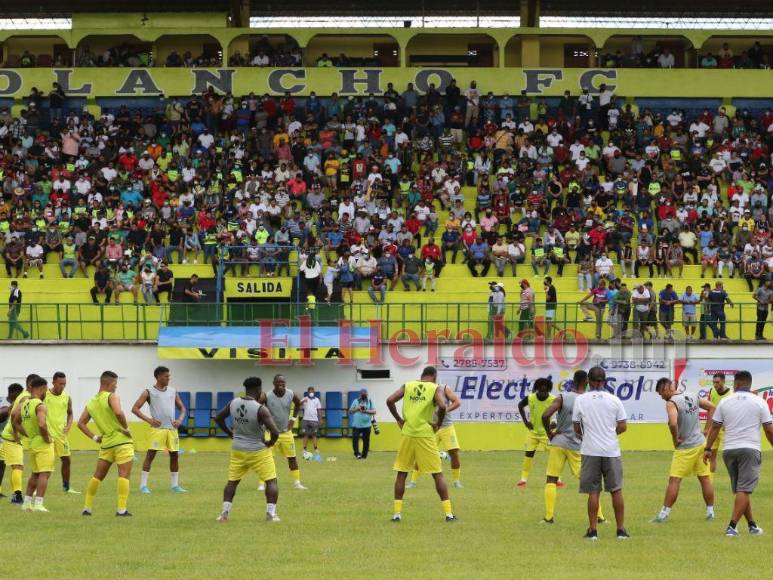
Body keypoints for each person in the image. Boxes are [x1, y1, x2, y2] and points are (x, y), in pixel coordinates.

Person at [704, 370, 773, 537]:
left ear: (735, 384)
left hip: (729, 451)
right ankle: (732, 526)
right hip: (750, 449)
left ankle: (752, 525)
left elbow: (714, 428)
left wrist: (707, 449)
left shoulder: (725, 402)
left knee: (741, 489)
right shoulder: (759, 402)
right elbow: (769, 430)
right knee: (745, 489)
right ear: (749, 384)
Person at [387, 366, 456, 522]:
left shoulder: (408, 385)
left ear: (422, 375)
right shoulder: (435, 388)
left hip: (408, 433)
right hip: (425, 434)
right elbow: (443, 406)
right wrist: (437, 422)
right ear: (433, 376)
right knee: (437, 474)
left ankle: (397, 514)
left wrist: (399, 419)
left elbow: (390, 400)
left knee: (402, 473)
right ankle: (449, 514)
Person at [572, 366, 629, 540]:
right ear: (604, 381)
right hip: (611, 450)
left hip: (590, 450)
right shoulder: (614, 400)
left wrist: (588, 435)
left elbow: (576, 427)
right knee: (616, 490)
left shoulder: (580, 400)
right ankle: (620, 530)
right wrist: (610, 434)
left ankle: (592, 531)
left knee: (593, 492)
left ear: (588, 380)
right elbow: (623, 426)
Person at [542, 370, 606, 524]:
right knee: (588, 481)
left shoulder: (562, 397)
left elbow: (545, 415)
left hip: (558, 443)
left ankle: (549, 517)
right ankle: (600, 516)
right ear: (586, 381)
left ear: (573, 381)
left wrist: (550, 433)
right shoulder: (588, 400)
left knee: (551, 478)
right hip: (577, 445)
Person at [214, 377, 280, 523]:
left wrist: (231, 434)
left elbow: (218, 417)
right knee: (271, 481)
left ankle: (224, 514)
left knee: (232, 481)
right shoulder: (260, 409)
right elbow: (275, 431)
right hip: (258, 451)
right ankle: (271, 515)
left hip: (237, 449)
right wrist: (270, 443)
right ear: (259, 390)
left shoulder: (234, 402)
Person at [651, 378, 715, 523]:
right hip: (700, 444)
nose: (661, 397)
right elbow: (712, 407)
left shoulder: (671, 403)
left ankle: (663, 515)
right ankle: (710, 512)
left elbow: (673, 423)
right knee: (705, 479)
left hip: (685, 448)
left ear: (665, 389)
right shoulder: (692, 395)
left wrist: (675, 439)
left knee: (674, 480)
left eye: (660, 393)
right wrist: (706, 430)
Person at [78, 370, 135, 516]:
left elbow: (81, 423)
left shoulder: (91, 402)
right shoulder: (111, 396)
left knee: (97, 476)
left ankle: (87, 508)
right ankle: (121, 510)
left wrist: (95, 438)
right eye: (115, 383)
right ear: (109, 383)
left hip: (106, 444)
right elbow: (118, 412)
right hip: (122, 442)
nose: (116, 386)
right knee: (124, 475)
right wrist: (126, 429)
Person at [131, 366, 188, 494]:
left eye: (169, 376)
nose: (169, 378)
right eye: (166, 376)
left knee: (174, 456)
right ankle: (143, 486)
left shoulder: (173, 391)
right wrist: (149, 420)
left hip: (172, 430)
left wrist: (179, 420)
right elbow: (135, 409)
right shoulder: (148, 392)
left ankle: (175, 485)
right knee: (150, 455)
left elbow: (183, 408)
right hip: (157, 430)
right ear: (158, 377)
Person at [408, 382, 463, 489]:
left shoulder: (445, 388)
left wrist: (445, 410)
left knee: (454, 453)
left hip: (447, 426)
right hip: (431, 427)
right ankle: (413, 482)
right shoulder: (422, 392)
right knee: (422, 454)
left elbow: (457, 402)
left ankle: (456, 481)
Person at [259, 374, 306, 490]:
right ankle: (261, 484)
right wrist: (264, 422)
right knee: (266, 458)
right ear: (273, 383)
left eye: (283, 382)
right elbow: (257, 406)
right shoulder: (267, 395)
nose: (281, 384)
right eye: (278, 382)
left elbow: (298, 403)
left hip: (286, 433)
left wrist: (293, 419)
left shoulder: (290, 393)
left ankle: (297, 483)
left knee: (292, 458)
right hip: (271, 433)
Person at [0, 374, 37, 504]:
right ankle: (17, 495)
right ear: (31, 386)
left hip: (7, 436)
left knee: (10, 466)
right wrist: (18, 435)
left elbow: (12, 412)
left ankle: (14, 494)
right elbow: (14, 416)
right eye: (40, 388)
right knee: (17, 466)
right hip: (11, 437)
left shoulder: (24, 396)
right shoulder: (25, 398)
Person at [20, 377, 54, 512]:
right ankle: (39, 503)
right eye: (46, 389)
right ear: (42, 389)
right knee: (44, 473)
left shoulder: (25, 404)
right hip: (42, 442)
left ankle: (26, 503)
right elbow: (41, 424)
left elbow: (16, 419)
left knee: (35, 473)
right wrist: (47, 438)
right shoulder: (40, 405)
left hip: (32, 441)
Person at [516, 378, 557, 487]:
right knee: (528, 455)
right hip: (533, 433)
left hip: (546, 434)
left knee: (554, 455)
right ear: (537, 389)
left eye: (545, 391)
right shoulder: (531, 398)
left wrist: (555, 422)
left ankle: (557, 479)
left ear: (549, 390)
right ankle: (523, 479)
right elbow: (520, 405)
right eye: (541, 391)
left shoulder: (553, 399)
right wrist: (525, 421)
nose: (543, 393)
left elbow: (561, 412)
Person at [46, 372, 79, 494]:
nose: (62, 386)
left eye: (64, 384)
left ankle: (66, 487)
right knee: (46, 463)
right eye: (60, 383)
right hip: (47, 435)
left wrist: (68, 426)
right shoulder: (45, 395)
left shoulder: (66, 397)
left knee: (67, 460)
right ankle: (36, 488)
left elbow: (70, 413)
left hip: (61, 436)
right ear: (53, 382)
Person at [702, 372, 731, 477]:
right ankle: (710, 482)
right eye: (714, 382)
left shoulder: (731, 395)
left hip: (725, 430)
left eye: (717, 382)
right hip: (714, 429)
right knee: (711, 456)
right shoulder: (712, 391)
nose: (715, 385)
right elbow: (710, 410)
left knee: (730, 456)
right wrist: (706, 429)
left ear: (723, 381)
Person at [0, 383, 24, 497]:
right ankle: (17, 493)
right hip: (3, 439)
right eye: (20, 394)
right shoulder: (6, 403)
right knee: (13, 465)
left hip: (5, 440)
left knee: (3, 465)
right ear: (14, 393)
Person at [349, 388, 376, 459]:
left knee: (366, 441)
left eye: (365, 394)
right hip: (356, 425)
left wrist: (366, 411)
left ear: (367, 394)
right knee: (355, 440)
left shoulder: (370, 401)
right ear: (360, 395)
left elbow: (374, 411)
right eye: (362, 394)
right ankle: (357, 454)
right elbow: (350, 411)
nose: (364, 395)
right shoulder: (355, 401)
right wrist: (357, 409)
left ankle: (364, 455)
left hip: (367, 425)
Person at [300, 387, 323, 461]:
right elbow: (298, 404)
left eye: (312, 391)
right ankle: (304, 449)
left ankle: (315, 448)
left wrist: (320, 419)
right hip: (305, 420)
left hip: (314, 420)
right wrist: (303, 401)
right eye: (310, 391)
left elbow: (319, 410)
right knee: (305, 435)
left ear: (314, 392)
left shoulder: (317, 400)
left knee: (314, 435)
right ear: (308, 392)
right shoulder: (304, 398)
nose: (311, 392)